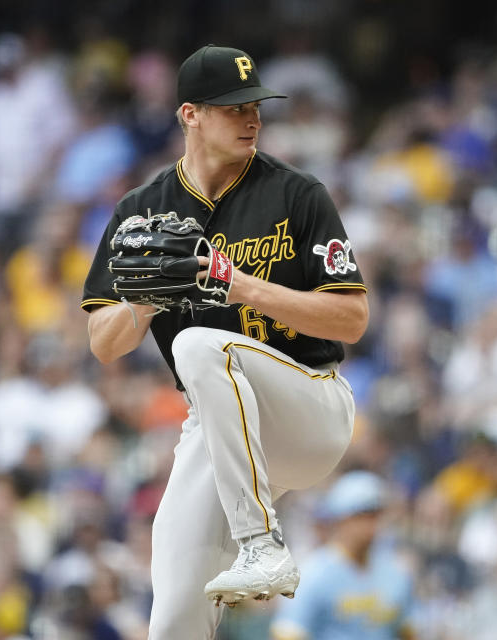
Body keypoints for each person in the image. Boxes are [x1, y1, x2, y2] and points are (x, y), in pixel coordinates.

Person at [81, 44, 368, 640]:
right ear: (190, 114)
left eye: (256, 105)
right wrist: (145, 298)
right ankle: (246, 544)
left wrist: (234, 283)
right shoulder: (142, 211)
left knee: (198, 345)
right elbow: (104, 344)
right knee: (174, 613)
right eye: (234, 107)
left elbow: (352, 319)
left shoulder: (297, 194)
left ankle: (261, 543)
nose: (252, 118)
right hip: (219, 425)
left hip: (308, 406)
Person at [270, 471, 416, 640]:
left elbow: (408, 632)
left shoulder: (395, 573)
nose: (371, 525)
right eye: (363, 515)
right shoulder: (313, 574)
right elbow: (287, 633)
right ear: (341, 519)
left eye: (376, 515)